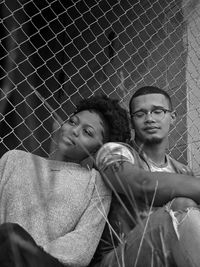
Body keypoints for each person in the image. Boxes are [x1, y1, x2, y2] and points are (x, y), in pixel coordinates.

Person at [0, 94, 131, 267]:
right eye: (72, 121)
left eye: (87, 132)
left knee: (12, 236)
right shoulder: (14, 159)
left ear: (98, 150)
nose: (74, 130)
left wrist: (27, 252)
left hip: (44, 262)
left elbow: (82, 245)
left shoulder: (96, 183)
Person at [94, 86, 200, 267]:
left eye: (158, 111)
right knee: (182, 206)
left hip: (171, 257)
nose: (150, 119)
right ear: (132, 121)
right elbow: (141, 184)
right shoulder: (115, 152)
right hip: (118, 258)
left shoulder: (183, 171)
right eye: (140, 114)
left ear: (172, 117)